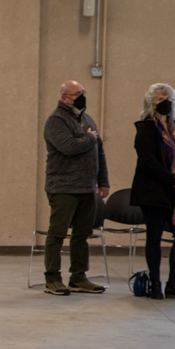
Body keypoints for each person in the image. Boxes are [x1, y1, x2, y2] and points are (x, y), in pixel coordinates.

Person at [41, 80, 110, 296]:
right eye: (77, 93)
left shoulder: (87, 119)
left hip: (87, 187)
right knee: (57, 233)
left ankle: (78, 276)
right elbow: (69, 147)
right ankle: (52, 278)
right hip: (63, 187)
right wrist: (89, 138)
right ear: (64, 98)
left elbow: (99, 153)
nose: (82, 97)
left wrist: (103, 181)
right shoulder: (56, 121)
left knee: (82, 234)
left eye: (83, 92)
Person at [131, 83, 175, 300]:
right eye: (160, 99)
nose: (165, 103)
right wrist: (172, 180)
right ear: (151, 103)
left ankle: (174, 283)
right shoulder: (146, 128)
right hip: (155, 191)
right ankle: (156, 284)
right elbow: (147, 162)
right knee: (154, 237)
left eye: (168, 99)